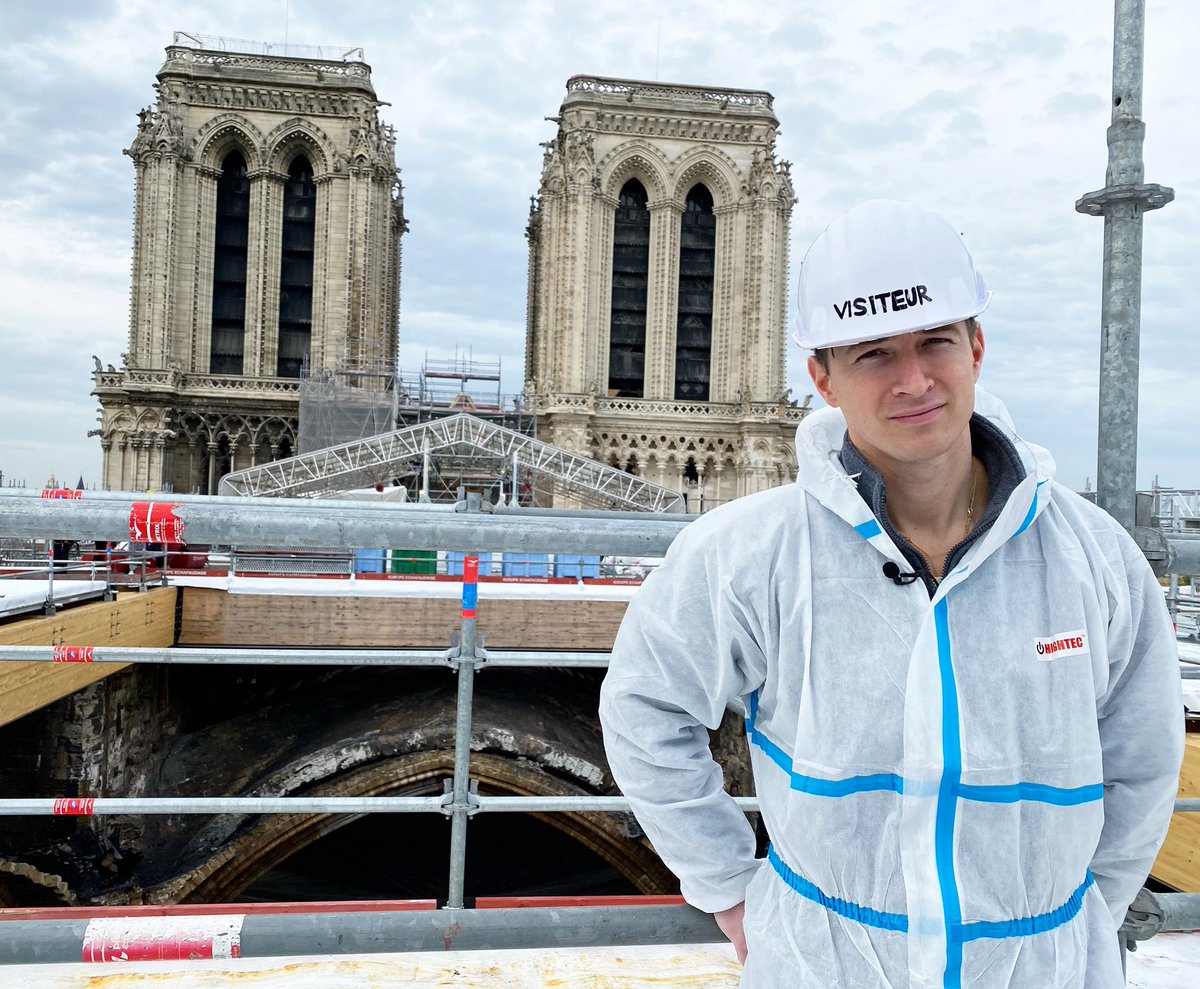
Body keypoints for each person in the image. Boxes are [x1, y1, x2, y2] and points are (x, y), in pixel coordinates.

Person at [599, 200, 1184, 988]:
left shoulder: (1093, 556)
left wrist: (1067, 925)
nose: (914, 379)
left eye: (935, 341)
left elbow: (1142, 759)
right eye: (873, 354)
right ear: (823, 378)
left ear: (976, 346)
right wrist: (730, 888)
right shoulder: (749, 553)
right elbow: (645, 707)